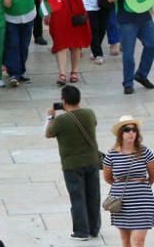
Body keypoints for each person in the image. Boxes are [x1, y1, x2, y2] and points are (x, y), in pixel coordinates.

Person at [46, 85, 102, 240]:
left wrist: (51, 117)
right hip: (92, 161)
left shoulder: (61, 120)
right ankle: (94, 228)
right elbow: (94, 123)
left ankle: (81, 231)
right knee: (93, 195)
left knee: (78, 197)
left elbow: (48, 133)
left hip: (72, 165)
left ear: (64, 101)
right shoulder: (89, 114)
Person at [107, 0, 154, 95]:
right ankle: (128, 83)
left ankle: (141, 74)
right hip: (127, 19)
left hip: (144, 17)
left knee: (152, 45)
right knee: (128, 54)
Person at [103, 116, 154, 245]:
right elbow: (108, 178)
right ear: (121, 133)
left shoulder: (144, 152)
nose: (131, 132)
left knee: (138, 241)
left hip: (142, 201)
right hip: (121, 202)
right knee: (126, 241)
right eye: (127, 129)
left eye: (134, 129)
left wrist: (142, 186)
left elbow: (153, 174)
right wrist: (122, 186)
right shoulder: (111, 155)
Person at [49, 0, 92, 86]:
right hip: (59, 14)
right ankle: (62, 74)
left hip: (76, 13)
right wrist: (47, 13)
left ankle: (74, 71)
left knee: (75, 44)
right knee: (61, 44)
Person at [1, 0, 39, 86]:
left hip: (28, 15)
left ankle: (21, 71)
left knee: (24, 46)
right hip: (11, 18)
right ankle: (14, 73)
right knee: (13, 45)